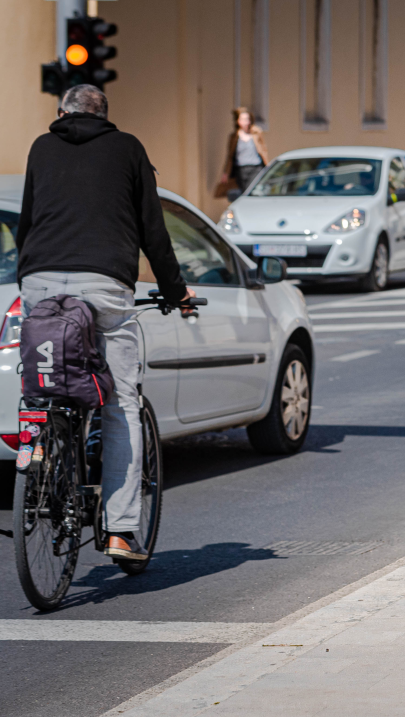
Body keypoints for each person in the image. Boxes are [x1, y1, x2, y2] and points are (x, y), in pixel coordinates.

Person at [16, 85, 194, 561]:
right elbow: (153, 231)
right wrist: (176, 293)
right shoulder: (128, 148)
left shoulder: (41, 146)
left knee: (41, 381)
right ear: (106, 117)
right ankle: (120, 530)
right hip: (105, 286)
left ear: (61, 113)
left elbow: (28, 222)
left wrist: (28, 280)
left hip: (39, 281)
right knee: (120, 405)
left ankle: (40, 447)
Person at [218, 107, 269, 196]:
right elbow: (230, 156)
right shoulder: (234, 137)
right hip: (241, 169)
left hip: (255, 168)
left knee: (252, 192)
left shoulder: (256, 133)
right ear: (238, 121)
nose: (245, 122)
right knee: (242, 193)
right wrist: (225, 173)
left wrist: (267, 165)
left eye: (247, 119)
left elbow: (263, 150)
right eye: (242, 119)